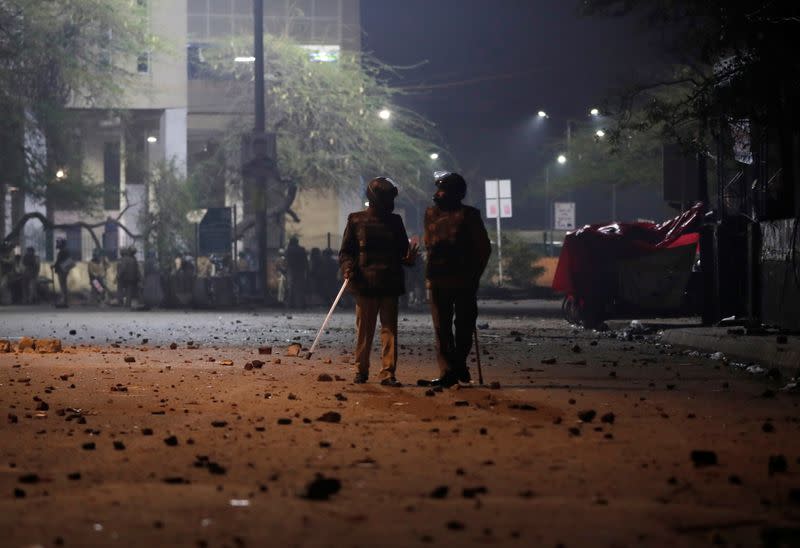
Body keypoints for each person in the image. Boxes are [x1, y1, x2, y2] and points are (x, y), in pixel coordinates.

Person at [339, 177, 418, 386]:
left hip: (388, 283)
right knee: (365, 330)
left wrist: (409, 259)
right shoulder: (355, 220)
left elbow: (403, 252)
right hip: (366, 284)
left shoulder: (395, 222)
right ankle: (361, 370)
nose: (391, 201)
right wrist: (348, 268)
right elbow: (346, 252)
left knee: (388, 330)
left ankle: (388, 372)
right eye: (388, 197)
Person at [422, 172, 491, 388]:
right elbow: (428, 243)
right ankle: (448, 371)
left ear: (455, 193)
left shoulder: (470, 215)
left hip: (463, 280)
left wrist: (475, 276)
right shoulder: (430, 214)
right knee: (441, 329)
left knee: (463, 326)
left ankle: (458, 364)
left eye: (442, 190)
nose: (437, 194)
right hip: (437, 279)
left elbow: (483, 249)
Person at [285, 236, 308, 308]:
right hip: (300, 271)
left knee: (290, 287)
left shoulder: (289, 250)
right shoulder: (301, 249)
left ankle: (290, 304)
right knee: (300, 288)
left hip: (291, 270)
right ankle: (300, 304)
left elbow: (287, 261)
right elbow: (305, 261)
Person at [53, 238, 74, 308]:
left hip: (62, 270)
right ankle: (64, 301)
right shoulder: (65, 251)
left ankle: (64, 301)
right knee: (63, 286)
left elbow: (59, 261)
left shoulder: (63, 251)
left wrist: (54, 266)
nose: (57, 244)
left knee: (63, 286)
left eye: (58, 243)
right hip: (64, 270)